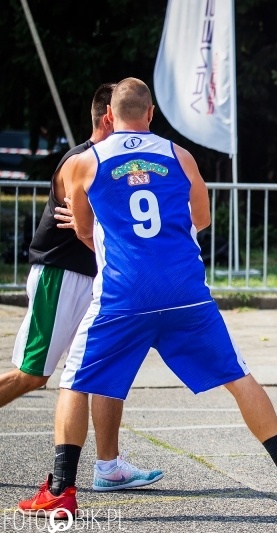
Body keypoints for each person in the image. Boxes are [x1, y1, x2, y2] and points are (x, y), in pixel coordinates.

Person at [18, 78, 277, 518]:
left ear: (110, 116)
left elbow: (83, 229)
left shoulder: (83, 163)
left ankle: (62, 490)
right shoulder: (179, 156)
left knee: (74, 381)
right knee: (238, 377)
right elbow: (201, 218)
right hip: (183, 289)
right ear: (150, 114)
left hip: (123, 293)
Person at [0, 83, 163, 492]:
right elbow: (90, 228)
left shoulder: (117, 163)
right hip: (62, 277)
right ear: (111, 117)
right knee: (32, 374)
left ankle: (109, 466)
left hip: (101, 282)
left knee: (106, 370)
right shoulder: (82, 161)